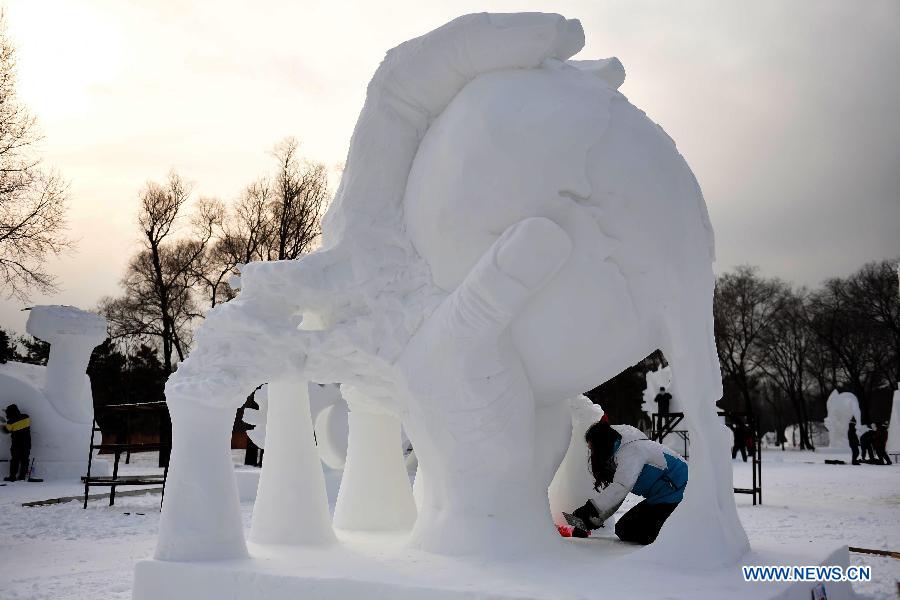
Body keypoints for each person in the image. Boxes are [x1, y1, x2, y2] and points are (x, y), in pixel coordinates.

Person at [569, 420, 687, 545]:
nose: (592, 453)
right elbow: (617, 495)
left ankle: (679, 534)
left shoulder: (631, 453)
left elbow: (621, 487)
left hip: (679, 493)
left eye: (592, 449)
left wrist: (591, 509)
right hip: (659, 497)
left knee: (633, 531)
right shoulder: (616, 447)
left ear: (601, 445)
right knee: (623, 528)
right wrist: (593, 520)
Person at [2, 404, 32, 481]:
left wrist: (2, 426)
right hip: (27, 443)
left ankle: (12, 477)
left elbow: (7, 430)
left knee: (15, 460)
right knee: (24, 459)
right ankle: (22, 476)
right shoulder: (26, 417)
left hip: (17, 444)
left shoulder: (11, 421)